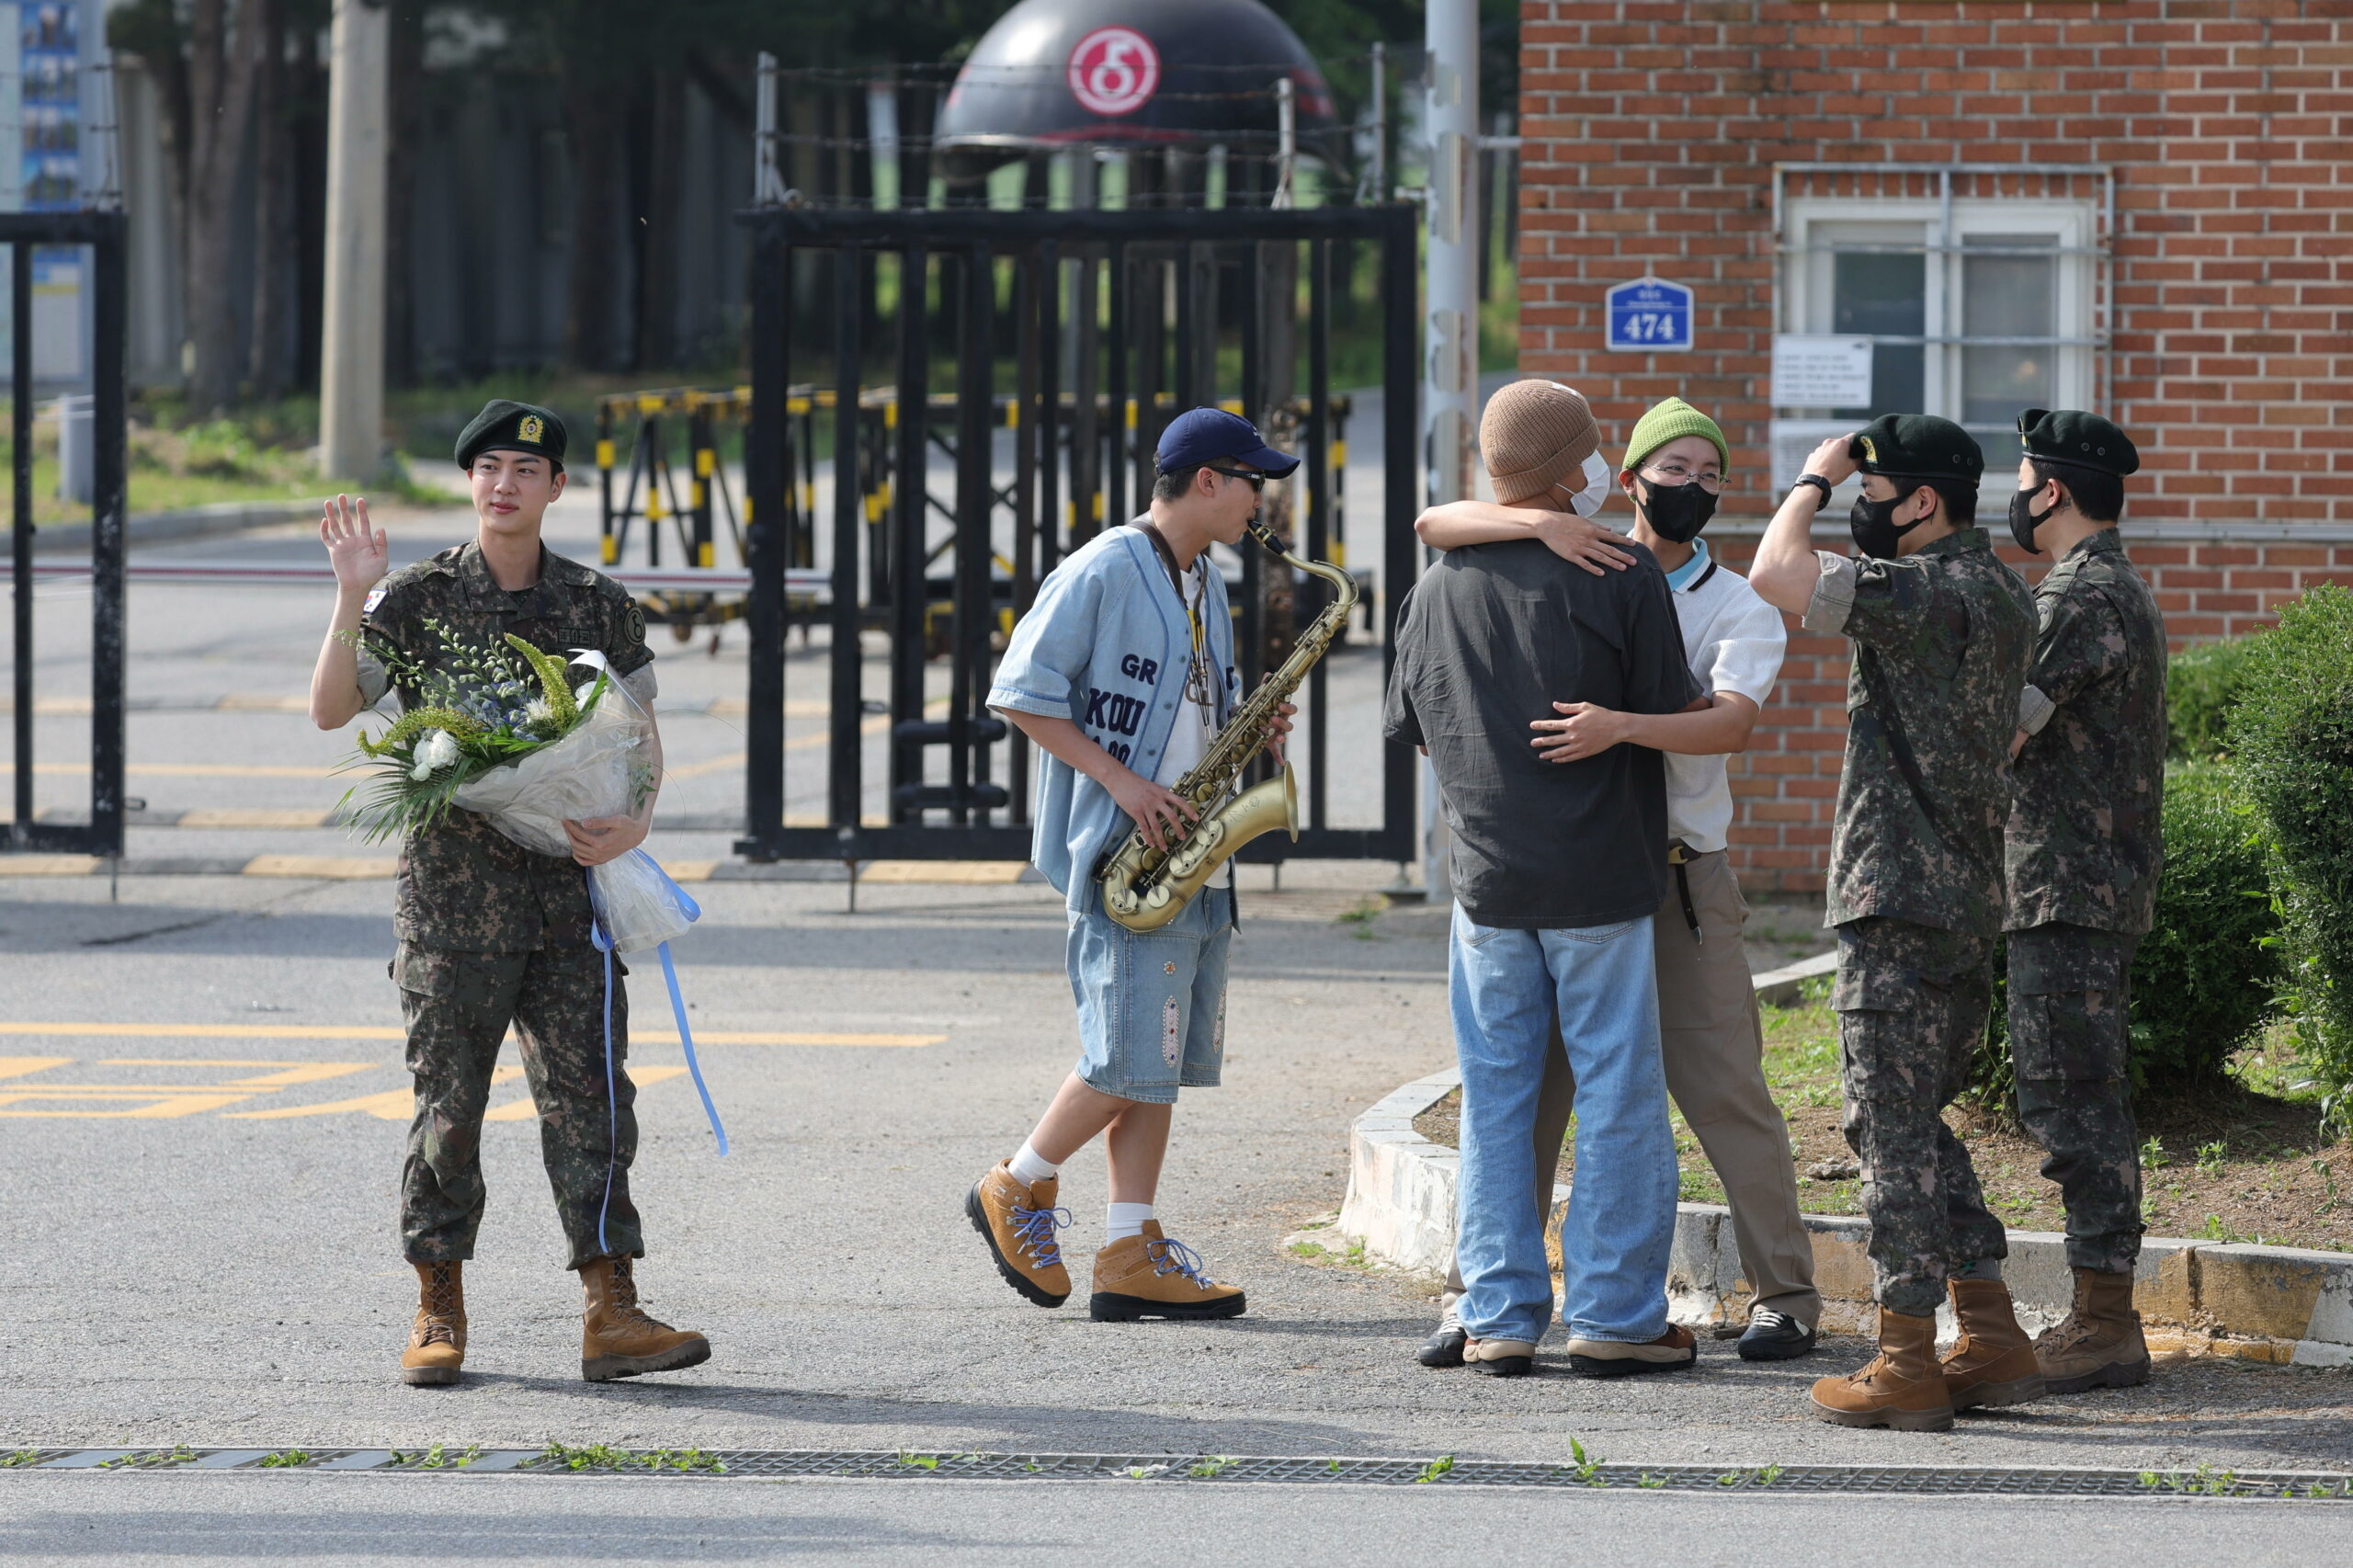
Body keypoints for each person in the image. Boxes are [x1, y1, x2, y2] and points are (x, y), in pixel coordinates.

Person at [1409, 395, 1822, 1366]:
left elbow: (1727, 722)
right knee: (1554, 1101)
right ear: (1621, 478)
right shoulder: (1590, 564)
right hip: (1590, 879)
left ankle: (1784, 1293)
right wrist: (1538, 524)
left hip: (1672, 878)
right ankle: (1513, 1303)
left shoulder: (1729, 601)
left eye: (1711, 474)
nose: (1695, 487)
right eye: (1674, 468)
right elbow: (1436, 520)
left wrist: (1617, 728)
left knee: (1721, 1090)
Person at [307, 399, 710, 1388]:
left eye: (526, 470)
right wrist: (352, 594)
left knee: (595, 1104)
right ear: (470, 481)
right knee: (449, 1111)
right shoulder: (417, 597)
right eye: (489, 467)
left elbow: (638, 730)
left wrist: (637, 817)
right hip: (454, 907)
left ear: (556, 486)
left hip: (570, 898)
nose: (505, 484)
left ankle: (611, 1307)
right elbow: (330, 709)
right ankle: (437, 1304)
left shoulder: (595, 601)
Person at [1384, 380, 1704, 1379]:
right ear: (1570, 470)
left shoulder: (1437, 585)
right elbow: (1667, 714)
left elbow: (1419, 732)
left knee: (1495, 1098)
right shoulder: (1620, 570)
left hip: (1488, 881)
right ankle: (1614, 1314)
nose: (1604, 464)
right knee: (1617, 1093)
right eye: (1594, 449)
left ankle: (1498, 1315)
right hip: (1601, 875)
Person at [972, 407, 1295, 1323]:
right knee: (1120, 1055)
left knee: (1156, 1062)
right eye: (1253, 482)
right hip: (1127, 853)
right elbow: (1020, 693)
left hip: (1188, 851)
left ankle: (1128, 1245)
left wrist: (1254, 731)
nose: (1261, 502)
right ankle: (1016, 1181)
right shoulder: (1105, 566)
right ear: (1208, 480)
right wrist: (1121, 782)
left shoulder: (1205, 579)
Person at [1748, 415, 2038, 1432]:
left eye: (1874, 496)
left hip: (1894, 898)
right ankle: (1991, 1332)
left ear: (1920, 502)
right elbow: (2017, 725)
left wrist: (1811, 480)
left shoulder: (1921, 591)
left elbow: (1775, 574)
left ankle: (1906, 1357)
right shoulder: (2007, 594)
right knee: (1910, 1120)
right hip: (1966, 898)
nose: (1861, 511)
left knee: (1887, 1127)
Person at [2002, 408, 2165, 1395]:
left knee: (2073, 1103)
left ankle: (2105, 1324)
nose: (2015, 499)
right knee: (2077, 1096)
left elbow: (2005, 728)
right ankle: (2101, 1314)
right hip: (2080, 884)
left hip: (2068, 887)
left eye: (2022, 481)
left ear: (2052, 490)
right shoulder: (2114, 584)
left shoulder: (2077, 594)